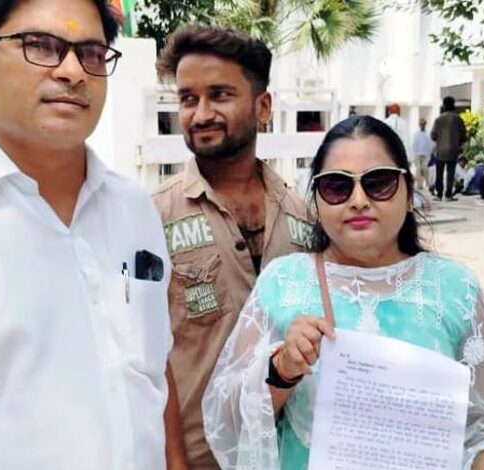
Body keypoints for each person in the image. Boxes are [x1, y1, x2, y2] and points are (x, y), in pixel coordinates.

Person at [202, 115, 484, 470]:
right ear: (316, 201)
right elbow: (227, 421)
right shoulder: (284, 283)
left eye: (378, 182)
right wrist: (282, 369)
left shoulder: (454, 289)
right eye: (337, 187)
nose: (358, 200)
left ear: (409, 193)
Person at [0, 0, 175, 469]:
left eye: (92, 53)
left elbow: (151, 373)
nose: (73, 72)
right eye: (41, 45)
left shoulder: (134, 208)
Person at [152, 25, 311, 469]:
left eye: (219, 95)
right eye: (188, 99)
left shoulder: (304, 215)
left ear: (263, 107)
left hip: (289, 454)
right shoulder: (150, 217)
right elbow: (146, 357)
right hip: (200, 458)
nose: (201, 114)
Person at [431, 96, 467, 201]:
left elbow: (433, 135)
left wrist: (440, 139)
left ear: (444, 105)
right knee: (450, 174)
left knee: (439, 173)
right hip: (453, 150)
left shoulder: (438, 119)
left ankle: (438, 194)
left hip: (440, 150)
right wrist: (458, 143)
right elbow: (464, 136)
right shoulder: (458, 119)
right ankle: (448, 195)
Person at [412, 117, 433, 190]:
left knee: (425, 169)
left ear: (425, 124)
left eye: (423, 124)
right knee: (418, 170)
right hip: (418, 154)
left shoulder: (428, 134)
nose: (422, 125)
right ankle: (419, 185)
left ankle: (427, 183)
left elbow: (430, 144)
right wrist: (414, 154)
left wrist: (430, 153)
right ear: (419, 125)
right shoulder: (416, 134)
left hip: (426, 154)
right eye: (421, 124)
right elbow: (414, 144)